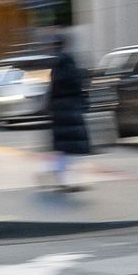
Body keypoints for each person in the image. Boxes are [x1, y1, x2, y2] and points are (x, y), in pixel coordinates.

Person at [46, 31, 92, 191]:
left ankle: (57, 176)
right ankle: (64, 179)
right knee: (70, 148)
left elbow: (52, 89)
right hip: (69, 110)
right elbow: (76, 84)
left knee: (65, 149)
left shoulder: (56, 65)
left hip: (60, 111)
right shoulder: (68, 62)